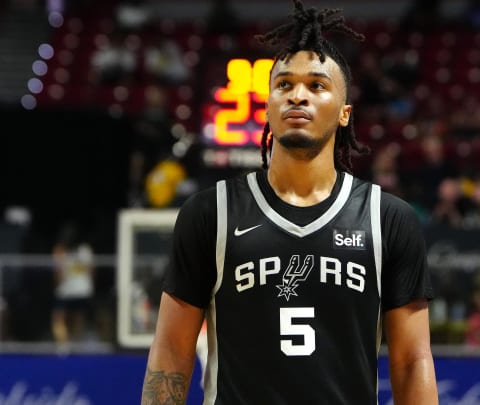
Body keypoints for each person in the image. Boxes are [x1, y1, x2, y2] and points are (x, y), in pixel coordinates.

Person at [141, 1, 439, 404]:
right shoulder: (210, 214)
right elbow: (172, 354)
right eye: (284, 85)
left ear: (345, 113)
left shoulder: (387, 219)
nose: (298, 95)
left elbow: (412, 361)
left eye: (317, 85)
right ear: (267, 106)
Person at [50, 223, 95, 349]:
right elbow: (92, 271)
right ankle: (67, 345)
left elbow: (91, 270)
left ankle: (70, 346)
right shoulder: (63, 250)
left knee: (69, 318)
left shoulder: (83, 250)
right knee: (64, 318)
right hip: (75, 290)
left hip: (76, 290)